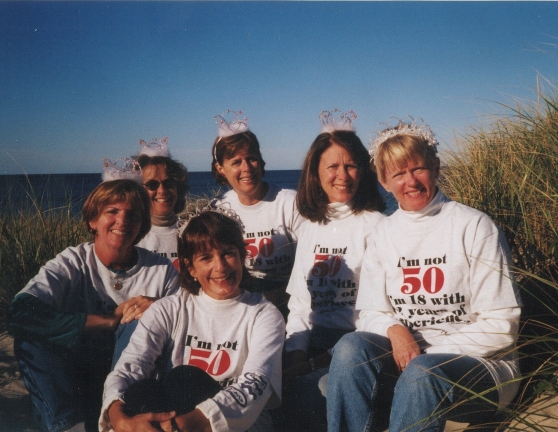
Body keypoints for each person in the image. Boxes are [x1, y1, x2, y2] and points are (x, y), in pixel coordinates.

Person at [326, 118, 522, 432]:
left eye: (418, 169)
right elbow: (370, 311)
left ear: (435, 166)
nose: (411, 182)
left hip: (479, 369)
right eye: (398, 174)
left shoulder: (473, 226)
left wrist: (425, 356)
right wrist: (394, 330)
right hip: (409, 359)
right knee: (351, 348)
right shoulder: (383, 233)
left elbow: (502, 326)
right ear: (384, 182)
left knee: (423, 374)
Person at [5, 159, 180, 432]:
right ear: (92, 220)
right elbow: (20, 313)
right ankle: (68, 427)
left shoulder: (160, 271)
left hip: (130, 380)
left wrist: (161, 307)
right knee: (31, 338)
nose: (122, 220)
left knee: (139, 320)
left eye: (133, 214)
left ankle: (121, 418)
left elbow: (189, 320)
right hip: (72, 377)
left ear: (142, 224)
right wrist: (109, 320)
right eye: (112, 211)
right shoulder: (73, 262)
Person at [100, 209, 285, 432]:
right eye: (206, 258)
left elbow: (256, 384)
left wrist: (182, 425)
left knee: (184, 378)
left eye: (228, 253)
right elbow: (129, 367)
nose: (220, 267)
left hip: (234, 425)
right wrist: (117, 415)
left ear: (242, 257)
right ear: (190, 267)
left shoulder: (264, 314)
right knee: (141, 391)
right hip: (173, 418)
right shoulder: (168, 308)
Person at [276, 110, 386, 430]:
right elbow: (299, 301)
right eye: (333, 167)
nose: (343, 175)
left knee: (319, 391)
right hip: (312, 342)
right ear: (316, 172)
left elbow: (379, 314)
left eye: (351, 165)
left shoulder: (377, 225)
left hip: (357, 346)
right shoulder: (310, 225)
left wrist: (316, 363)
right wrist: (296, 355)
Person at [209, 110, 303, 313]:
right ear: (220, 168)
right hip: (241, 295)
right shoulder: (218, 209)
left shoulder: (289, 201)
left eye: (251, 158)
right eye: (235, 162)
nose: (246, 168)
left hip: (287, 295)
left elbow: (305, 266)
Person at [134, 136, 190, 270]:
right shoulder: (132, 236)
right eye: (152, 185)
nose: (162, 191)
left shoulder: (191, 232)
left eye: (169, 183)